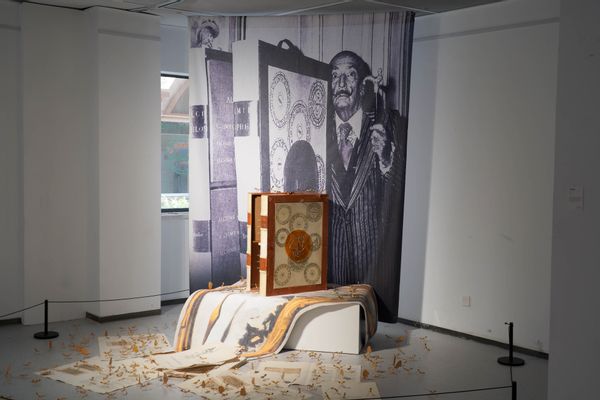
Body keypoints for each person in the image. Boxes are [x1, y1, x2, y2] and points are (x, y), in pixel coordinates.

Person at [327, 50, 406, 322]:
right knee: (335, 321)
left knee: (369, 324)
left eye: (350, 75)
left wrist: (385, 158)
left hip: (370, 255)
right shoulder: (315, 125)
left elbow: (399, 191)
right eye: (335, 76)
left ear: (362, 86)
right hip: (332, 259)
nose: (341, 84)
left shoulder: (388, 123)